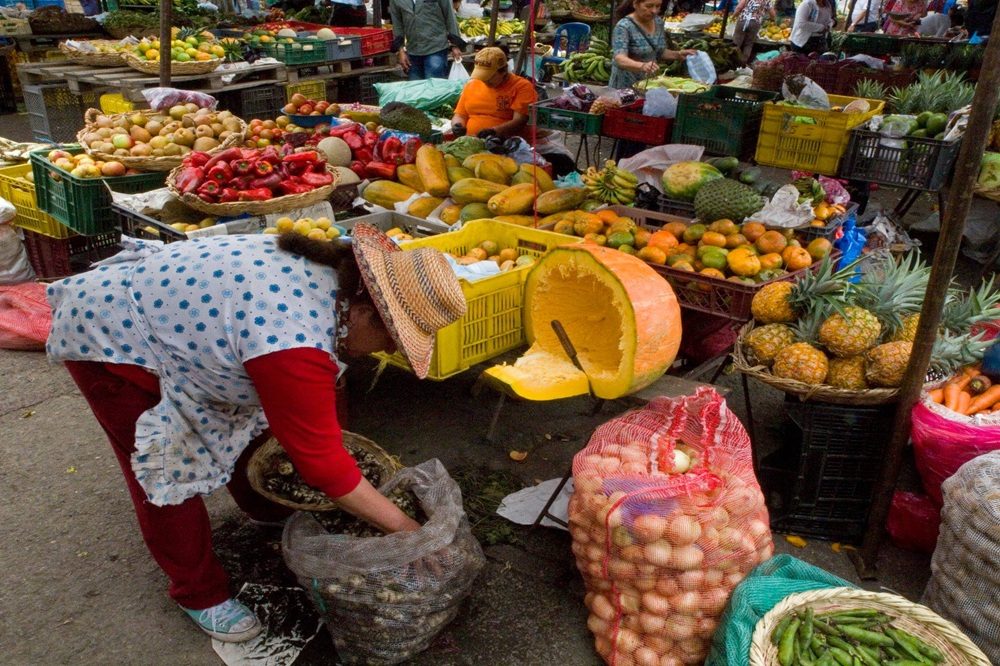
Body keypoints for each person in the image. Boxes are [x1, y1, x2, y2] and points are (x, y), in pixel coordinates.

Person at [45, 226, 466, 643]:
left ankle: (261, 507)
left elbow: (306, 421)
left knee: (253, 423)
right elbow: (322, 463)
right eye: (390, 338)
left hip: (184, 323)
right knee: (167, 470)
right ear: (362, 310)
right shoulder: (292, 341)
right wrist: (410, 533)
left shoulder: (332, 281)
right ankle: (198, 592)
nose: (388, 351)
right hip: (111, 335)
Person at [451, 46, 537, 139]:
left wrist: (494, 131)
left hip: (504, 142)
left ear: (503, 71)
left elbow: (519, 121)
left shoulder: (522, 87)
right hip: (471, 141)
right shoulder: (472, 84)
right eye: (482, 76)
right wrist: (457, 125)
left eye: (489, 77)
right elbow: (460, 114)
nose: (485, 80)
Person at [609, 0, 696, 90]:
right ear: (635, 4)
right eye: (649, 6)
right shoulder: (624, 26)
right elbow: (620, 58)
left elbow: (660, 51)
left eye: (658, 6)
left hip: (648, 83)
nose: (654, 11)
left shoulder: (658, 22)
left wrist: (678, 54)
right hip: (625, 85)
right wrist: (642, 66)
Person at [388, 0, 467, 79]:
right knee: (417, 89)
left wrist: (455, 45)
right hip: (413, 51)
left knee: (434, 87)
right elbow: (397, 24)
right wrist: (400, 50)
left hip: (436, 49)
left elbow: (450, 16)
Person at [732, 0, 777, 64]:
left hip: (743, 20)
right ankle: (742, 64)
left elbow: (739, 7)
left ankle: (731, 62)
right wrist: (773, 19)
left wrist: (734, 16)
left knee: (736, 43)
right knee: (748, 44)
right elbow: (773, 14)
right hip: (755, 23)